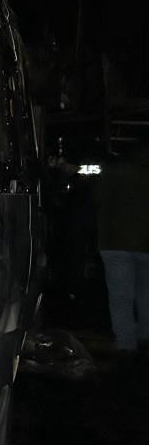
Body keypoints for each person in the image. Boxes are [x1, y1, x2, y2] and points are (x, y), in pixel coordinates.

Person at [94, 144, 149, 351]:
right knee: (146, 294)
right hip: (145, 242)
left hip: (114, 241)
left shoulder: (111, 173)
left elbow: (97, 200)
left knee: (120, 297)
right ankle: (145, 337)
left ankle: (126, 343)